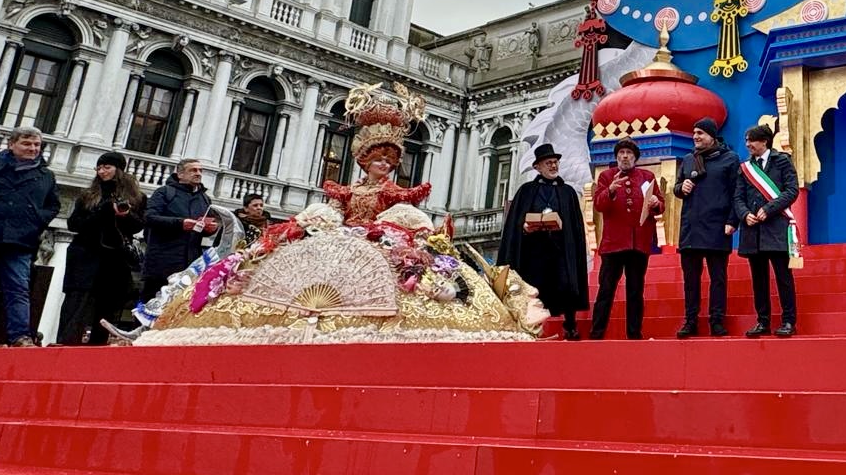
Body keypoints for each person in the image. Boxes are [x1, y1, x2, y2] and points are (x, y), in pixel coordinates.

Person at [131, 82, 543, 345]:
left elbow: (407, 218)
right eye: (379, 160)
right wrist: (316, 222)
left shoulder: (397, 194)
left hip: (380, 248)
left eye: (390, 160)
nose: (386, 166)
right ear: (364, 160)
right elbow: (331, 212)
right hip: (338, 246)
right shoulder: (344, 190)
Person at [0, 126, 60, 347]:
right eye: (27, 143)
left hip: (20, 240)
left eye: (37, 145)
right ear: (11, 144)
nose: (33, 148)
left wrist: (36, 220)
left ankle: (20, 337)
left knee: (18, 289)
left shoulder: (46, 176)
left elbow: (53, 206)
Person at [498, 143, 589, 339]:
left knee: (566, 284)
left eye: (555, 162)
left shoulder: (568, 192)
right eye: (549, 163)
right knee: (532, 289)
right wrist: (525, 227)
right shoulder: (526, 191)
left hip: (560, 250)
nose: (553, 166)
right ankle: (530, 327)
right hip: (534, 252)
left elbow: (575, 227)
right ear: (537, 167)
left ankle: (570, 326)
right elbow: (516, 221)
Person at [56, 152, 146, 346]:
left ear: (118, 170)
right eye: (99, 167)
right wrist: (103, 211)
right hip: (86, 254)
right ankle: (66, 343)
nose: (102, 171)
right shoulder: (89, 195)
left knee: (108, 305)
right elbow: (74, 224)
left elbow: (138, 225)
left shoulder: (137, 197)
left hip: (115, 258)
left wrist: (125, 215)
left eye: (107, 167)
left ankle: (97, 345)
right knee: (77, 303)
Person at [590, 138, 661, 340]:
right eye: (621, 153)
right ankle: (597, 333)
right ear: (616, 157)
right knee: (606, 290)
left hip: (638, 243)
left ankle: (634, 333)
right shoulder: (606, 176)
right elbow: (599, 205)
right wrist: (610, 190)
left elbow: (659, 204)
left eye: (629, 153)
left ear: (635, 157)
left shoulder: (647, 176)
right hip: (613, 244)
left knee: (635, 291)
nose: (625, 156)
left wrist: (656, 202)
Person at [673, 117, 738, 338]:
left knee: (718, 279)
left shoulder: (730, 159)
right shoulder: (689, 159)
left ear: (711, 136)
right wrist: (682, 187)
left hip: (718, 227)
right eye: (694, 133)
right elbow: (676, 188)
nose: (696, 137)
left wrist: (732, 221)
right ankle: (690, 321)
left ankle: (717, 321)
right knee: (691, 280)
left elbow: (736, 193)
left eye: (700, 133)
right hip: (691, 228)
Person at [733, 123, 800, 337]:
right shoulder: (745, 169)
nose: (748, 145)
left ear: (764, 141)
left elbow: (791, 190)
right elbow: (738, 197)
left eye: (752, 140)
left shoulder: (782, 161)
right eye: (746, 141)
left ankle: (788, 321)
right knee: (758, 280)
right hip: (753, 231)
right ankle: (763, 322)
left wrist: (769, 209)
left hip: (776, 228)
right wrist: (744, 214)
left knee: (783, 278)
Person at [141, 158, 218, 302]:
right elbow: (149, 217)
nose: (198, 173)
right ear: (180, 174)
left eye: (200, 170)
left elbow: (206, 223)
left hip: (190, 264)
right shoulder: (164, 192)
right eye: (193, 170)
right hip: (162, 262)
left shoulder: (205, 199)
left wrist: (210, 229)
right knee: (152, 301)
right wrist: (180, 223)